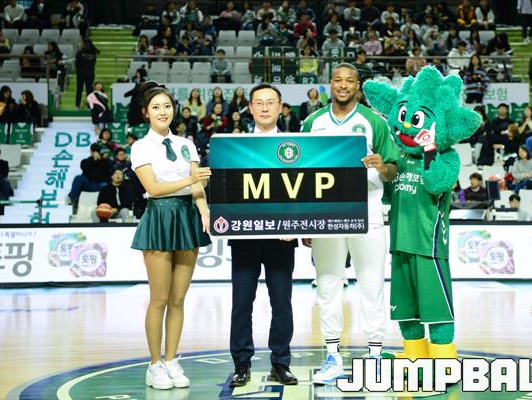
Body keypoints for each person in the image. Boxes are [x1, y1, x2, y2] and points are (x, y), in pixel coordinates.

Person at [300, 63, 398, 384]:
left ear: (358, 86)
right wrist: (306, 220)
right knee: (328, 283)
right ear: (330, 84)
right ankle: (332, 356)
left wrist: (382, 166)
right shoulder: (313, 123)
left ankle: (375, 355)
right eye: (338, 80)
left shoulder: (374, 122)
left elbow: (392, 170)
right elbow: (301, 174)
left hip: (367, 209)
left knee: (372, 284)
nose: (343, 85)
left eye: (349, 81)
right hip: (326, 213)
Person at [130, 82, 211, 389]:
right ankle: (154, 365)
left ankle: (172, 359)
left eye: (166, 106)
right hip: (160, 216)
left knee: (178, 299)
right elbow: (153, 188)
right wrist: (190, 180)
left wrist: (204, 210)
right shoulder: (141, 147)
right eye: (156, 107)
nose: (163, 112)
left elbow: (197, 184)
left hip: (187, 217)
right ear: (146, 113)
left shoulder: (186, 144)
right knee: (160, 298)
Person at [228, 84, 298, 388]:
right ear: (251, 108)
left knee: (281, 303)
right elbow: (227, 190)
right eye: (260, 103)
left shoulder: (296, 146)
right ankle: (241, 364)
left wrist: (296, 226)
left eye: (271, 102)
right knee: (242, 303)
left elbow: (303, 192)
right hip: (245, 236)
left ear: (281, 107)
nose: (265, 107)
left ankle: (281, 363)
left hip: (281, 238)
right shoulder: (236, 146)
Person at [68, 143, 111, 209]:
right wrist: (93, 159)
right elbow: (85, 168)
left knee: (107, 185)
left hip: (100, 185)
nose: (95, 153)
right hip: (88, 184)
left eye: (97, 151)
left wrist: (100, 160)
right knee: (78, 178)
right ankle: (74, 201)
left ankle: (106, 205)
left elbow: (107, 170)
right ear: (91, 152)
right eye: (93, 151)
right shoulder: (85, 161)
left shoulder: (106, 161)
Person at [75, 39, 99, 110]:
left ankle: (87, 106)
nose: (82, 45)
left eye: (83, 44)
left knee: (88, 91)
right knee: (81, 90)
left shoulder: (90, 53)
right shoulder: (81, 53)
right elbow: (77, 63)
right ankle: (78, 105)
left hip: (87, 74)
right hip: (83, 74)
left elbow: (77, 63)